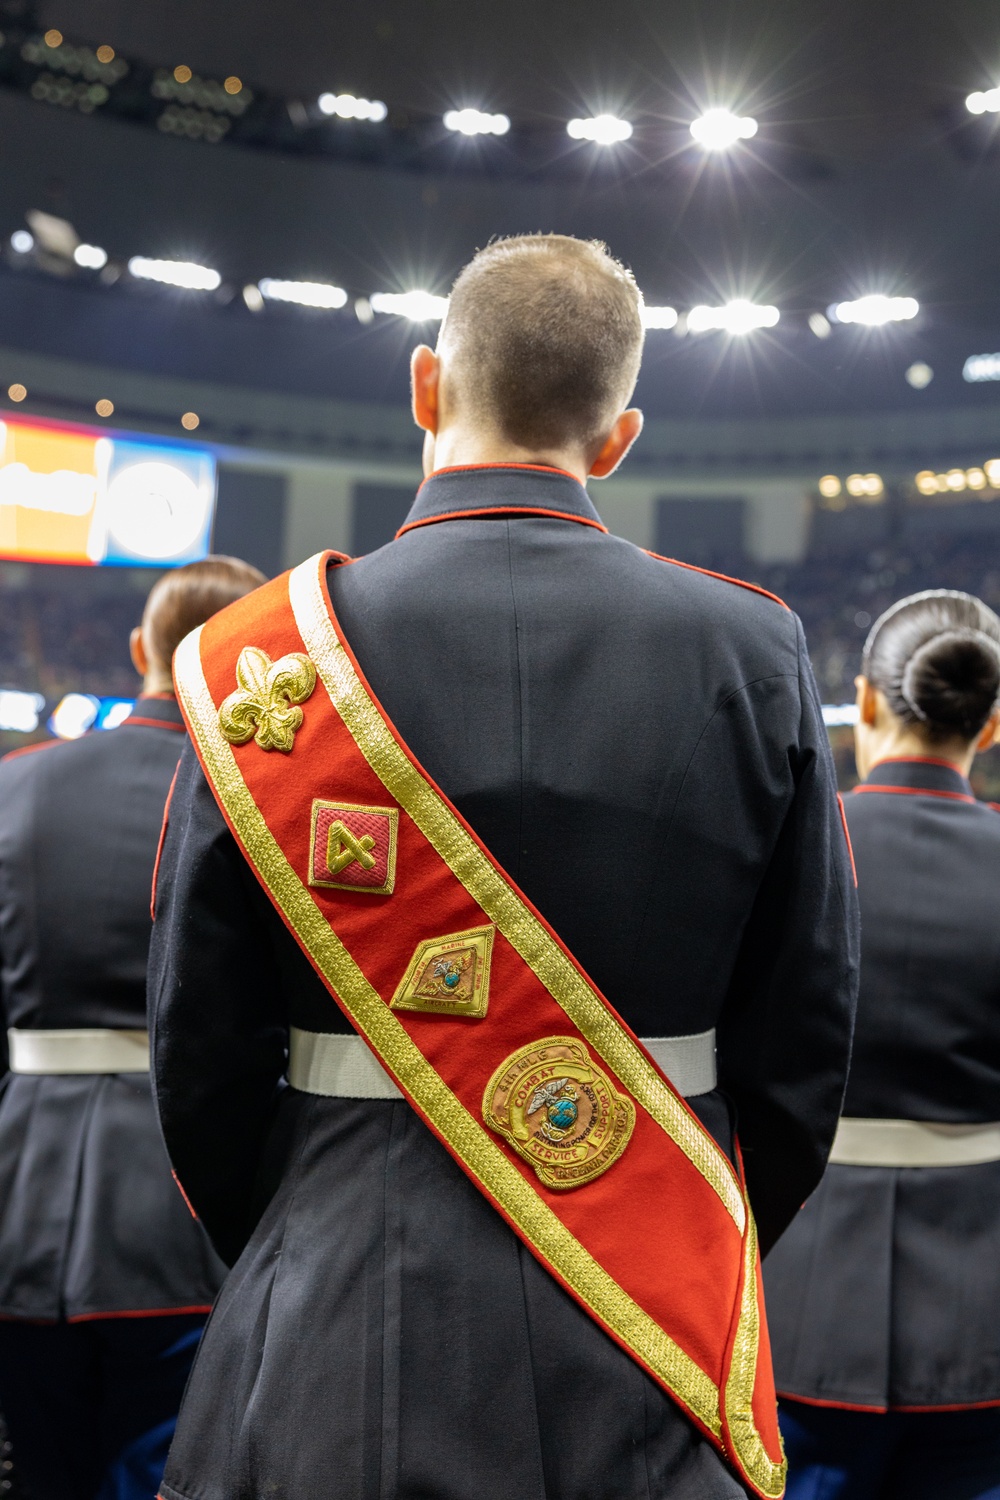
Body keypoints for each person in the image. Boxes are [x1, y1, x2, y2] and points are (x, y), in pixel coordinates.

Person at [149, 234, 858, 1500]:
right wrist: (681, 1203)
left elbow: (196, 1047)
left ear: (425, 386)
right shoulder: (756, 648)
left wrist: (297, 1229)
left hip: (333, 1291)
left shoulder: (259, 668)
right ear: (621, 436)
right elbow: (803, 1032)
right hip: (650, 1289)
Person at [0, 555, 266, 1500]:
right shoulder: (250, 798)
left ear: (135, 649)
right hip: (186, 1202)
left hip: (18, 1190)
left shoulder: (17, 783)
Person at [764, 589, 1000, 1500]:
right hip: (982, 1314)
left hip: (797, 1292)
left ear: (863, 701)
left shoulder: (787, 847)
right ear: (990, 724)